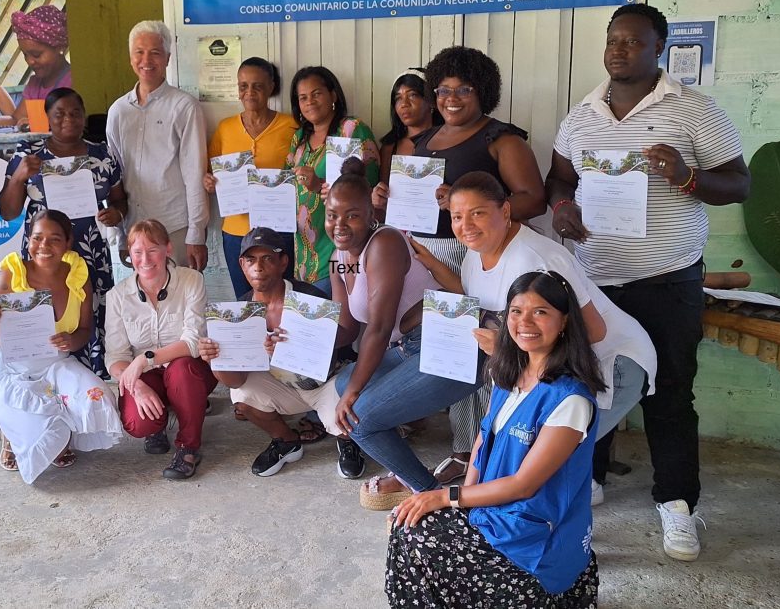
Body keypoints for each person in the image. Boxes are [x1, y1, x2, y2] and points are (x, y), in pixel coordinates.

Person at [546, 3, 750, 561]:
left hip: (667, 280)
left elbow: (739, 184)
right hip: (594, 283)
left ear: (658, 48)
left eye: (633, 42)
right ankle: (589, 478)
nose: (618, 49)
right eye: (613, 40)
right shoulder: (583, 113)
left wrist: (686, 175)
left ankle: (677, 504)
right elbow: (559, 179)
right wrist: (563, 207)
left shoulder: (692, 110)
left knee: (670, 393)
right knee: (589, 386)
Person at [416, 171, 656, 506]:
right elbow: (475, 296)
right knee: (541, 458)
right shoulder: (476, 253)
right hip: (560, 368)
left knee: (537, 462)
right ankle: (579, 492)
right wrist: (427, 261)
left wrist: (503, 345)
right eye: (457, 216)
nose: (466, 225)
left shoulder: (536, 258)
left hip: (612, 362)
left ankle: (557, 536)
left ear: (505, 212)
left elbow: (595, 331)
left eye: (478, 213)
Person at [386, 271, 603, 608]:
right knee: (407, 524)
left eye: (540, 312)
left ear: (564, 322)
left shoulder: (569, 400)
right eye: (516, 312)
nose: (525, 322)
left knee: (419, 536)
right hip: (495, 516)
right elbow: (481, 442)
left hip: (533, 538)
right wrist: (463, 507)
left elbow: (523, 485)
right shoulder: (510, 376)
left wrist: (447, 496)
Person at [407, 45, 548, 486]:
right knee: (453, 357)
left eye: (463, 89)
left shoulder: (501, 139)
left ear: (482, 91)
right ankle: (463, 449)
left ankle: (496, 452)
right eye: (443, 89)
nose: (451, 98)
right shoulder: (425, 140)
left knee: (488, 356)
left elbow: (533, 198)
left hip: (476, 258)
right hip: (427, 256)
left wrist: (464, 204)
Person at [321, 158, 478, 490]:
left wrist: (353, 393)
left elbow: (378, 327)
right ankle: (409, 476)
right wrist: (288, 341)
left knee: (357, 418)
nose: (340, 224)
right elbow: (347, 329)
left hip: (447, 344)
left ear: (372, 215)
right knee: (344, 383)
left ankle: (429, 495)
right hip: (410, 346)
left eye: (352, 215)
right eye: (332, 215)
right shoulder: (340, 259)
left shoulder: (384, 243)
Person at [0, 211, 124, 483]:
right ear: (29, 241)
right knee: (43, 427)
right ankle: (11, 433)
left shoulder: (77, 276)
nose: (44, 246)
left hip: (55, 362)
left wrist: (72, 340)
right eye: (37, 238)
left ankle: (48, 433)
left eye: (54, 239)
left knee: (99, 396)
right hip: (11, 368)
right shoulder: (11, 275)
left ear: (68, 242)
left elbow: (83, 331)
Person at [198, 227, 354, 477]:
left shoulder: (307, 297)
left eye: (267, 258)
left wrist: (294, 345)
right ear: (241, 264)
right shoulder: (240, 313)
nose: (258, 267)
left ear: (283, 262)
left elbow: (343, 340)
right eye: (251, 260)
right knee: (242, 393)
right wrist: (217, 359)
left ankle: (348, 443)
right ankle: (286, 441)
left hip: (321, 384)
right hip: (281, 388)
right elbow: (235, 380)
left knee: (346, 417)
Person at [0, 88, 127, 376]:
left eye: (75, 113)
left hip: (90, 250)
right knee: (44, 311)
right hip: (43, 252)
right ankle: (40, 378)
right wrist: (20, 176)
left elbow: (120, 199)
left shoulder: (102, 155)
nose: (68, 119)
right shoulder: (29, 154)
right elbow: (8, 211)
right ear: (48, 118)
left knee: (88, 314)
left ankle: (90, 383)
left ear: (83, 117)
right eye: (60, 114)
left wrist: (116, 213)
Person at [104, 219, 217, 480]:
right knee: (137, 422)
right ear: (129, 255)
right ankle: (159, 421)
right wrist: (136, 386)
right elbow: (116, 357)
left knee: (182, 370)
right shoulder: (117, 296)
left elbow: (191, 342)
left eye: (153, 249)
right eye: (137, 252)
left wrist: (145, 358)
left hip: (188, 370)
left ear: (167, 249)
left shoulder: (192, 280)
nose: (145, 259)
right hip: (148, 376)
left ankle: (188, 447)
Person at [106, 20, 210, 271]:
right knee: (143, 305)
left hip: (175, 227)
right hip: (134, 229)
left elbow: (195, 173)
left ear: (167, 58)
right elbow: (114, 176)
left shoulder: (184, 107)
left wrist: (196, 234)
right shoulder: (118, 111)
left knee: (180, 302)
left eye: (155, 52)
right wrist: (120, 235)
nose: (146, 60)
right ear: (130, 58)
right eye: (139, 52)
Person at [204, 57, 298, 297]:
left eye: (257, 85)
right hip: (236, 231)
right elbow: (210, 171)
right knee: (245, 300)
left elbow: (303, 168)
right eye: (243, 86)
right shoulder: (225, 128)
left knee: (283, 298)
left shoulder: (291, 126)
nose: (249, 92)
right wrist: (210, 182)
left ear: (271, 87)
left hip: (279, 228)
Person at [285, 66, 380, 294]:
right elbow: (286, 183)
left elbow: (367, 190)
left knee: (337, 319)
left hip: (339, 246)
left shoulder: (351, 130)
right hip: (304, 254)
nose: (310, 102)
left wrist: (318, 185)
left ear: (333, 95)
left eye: (317, 94)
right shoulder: (299, 138)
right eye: (303, 98)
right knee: (311, 323)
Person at [372, 70, 442, 213]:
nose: (404, 104)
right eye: (398, 98)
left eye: (412, 95)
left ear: (431, 101)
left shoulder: (449, 141)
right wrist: (378, 198)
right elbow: (384, 197)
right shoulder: (390, 147)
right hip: (399, 230)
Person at [10, 5, 72, 128]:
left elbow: (71, 121)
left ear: (59, 47)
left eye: (36, 55)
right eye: (25, 55)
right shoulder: (34, 84)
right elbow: (16, 119)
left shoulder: (73, 81)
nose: (30, 61)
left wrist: (39, 123)